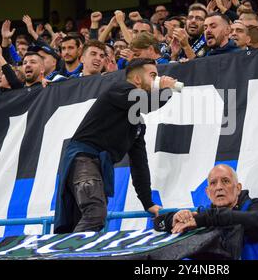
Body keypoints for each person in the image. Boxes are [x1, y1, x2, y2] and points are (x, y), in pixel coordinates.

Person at [54, 58, 178, 233]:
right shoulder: (120, 89)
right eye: (152, 75)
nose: (157, 80)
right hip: (84, 158)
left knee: (86, 219)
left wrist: (148, 203)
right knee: (95, 213)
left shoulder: (137, 124)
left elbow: (139, 165)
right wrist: (165, 90)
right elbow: (146, 103)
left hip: (97, 166)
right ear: (136, 79)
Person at [153, 164, 258, 260]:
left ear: (238, 188)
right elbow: (159, 223)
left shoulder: (257, 206)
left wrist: (202, 219)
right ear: (207, 192)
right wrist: (173, 219)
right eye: (213, 183)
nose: (219, 187)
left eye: (225, 181)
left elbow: (252, 220)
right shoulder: (205, 212)